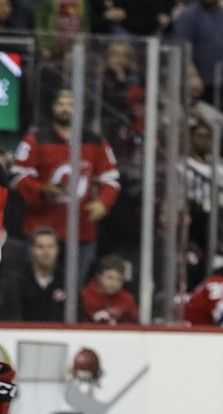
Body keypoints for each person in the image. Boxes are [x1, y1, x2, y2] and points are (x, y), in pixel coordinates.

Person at [11, 89, 121, 287]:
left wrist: (103, 203)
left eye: (70, 104)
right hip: (41, 230)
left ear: (81, 109)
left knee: (73, 289)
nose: (65, 109)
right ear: (53, 108)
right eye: (61, 104)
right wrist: (42, 189)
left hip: (81, 232)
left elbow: (111, 180)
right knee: (36, 287)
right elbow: (17, 176)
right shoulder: (36, 138)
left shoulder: (95, 140)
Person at [0, 229, 67, 323]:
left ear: (57, 250)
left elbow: (76, 316)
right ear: (32, 250)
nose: (46, 252)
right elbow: (11, 316)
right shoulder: (18, 281)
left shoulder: (67, 281)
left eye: (51, 247)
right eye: (41, 247)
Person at [80, 254, 140, 325]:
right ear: (98, 276)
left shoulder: (127, 299)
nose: (114, 283)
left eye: (119, 279)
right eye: (110, 277)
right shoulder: (84, 296)